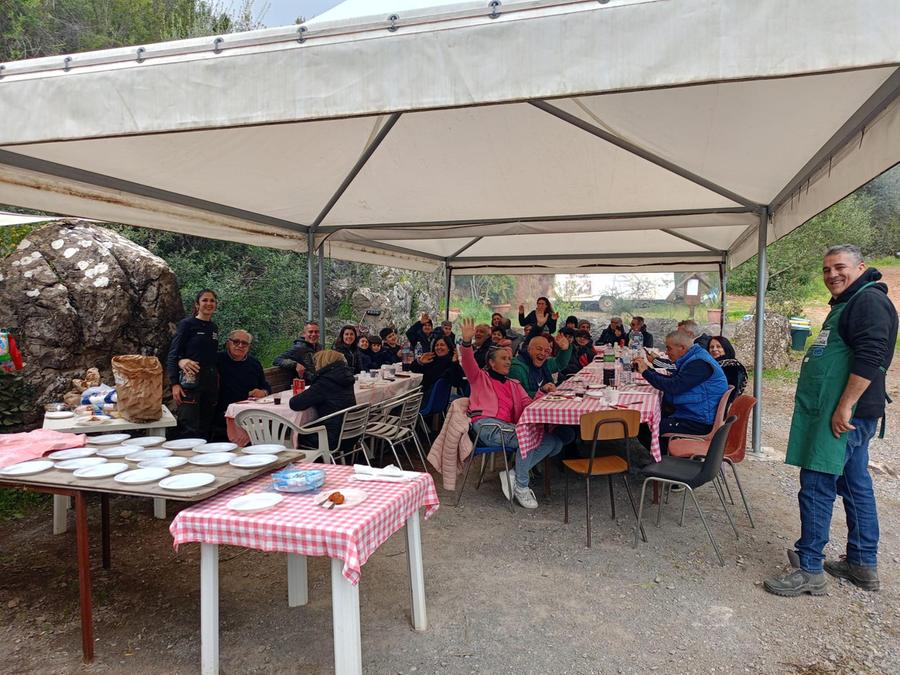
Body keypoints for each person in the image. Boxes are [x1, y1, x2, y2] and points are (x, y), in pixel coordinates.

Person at [765, 245, 897, 597]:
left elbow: (872, 355)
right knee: (855, 485)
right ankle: (861, 563)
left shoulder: (868, 302)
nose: (832, 275)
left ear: (861, 267)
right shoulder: (847, 303)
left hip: (843, 415)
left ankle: (809, 568)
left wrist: (845, 406)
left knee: (817, 484)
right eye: (826, 270)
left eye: (840, 267)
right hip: (844, 412)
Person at [458, 318, 571, 509]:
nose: (508, 362)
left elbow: (529, 408)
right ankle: (521, 485)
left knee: (554, 442)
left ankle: (515, 473)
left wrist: (542, 392)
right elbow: (468, 362)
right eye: (503, 358)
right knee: (527, 436)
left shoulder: (514, 385)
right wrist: (467, 343)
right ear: (491, 363)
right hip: (486, 426)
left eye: (509, 359)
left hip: (509, 429)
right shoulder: (480, 378)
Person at [634, 330, 728, 450]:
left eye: (669, 349)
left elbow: (673, 386)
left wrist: (646, 372)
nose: (666, 353)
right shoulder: (693, 357)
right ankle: (667, 455)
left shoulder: (699, 363)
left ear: (682, 348)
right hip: (693, 412)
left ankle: (668, 460)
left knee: (645, 426)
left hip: (699, 421)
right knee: (650, 419)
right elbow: (673, 380)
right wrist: (648, 370)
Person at [167, 289, 220, 439]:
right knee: (188, 427)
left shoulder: (213, 327)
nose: (209, 303)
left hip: (209, 383)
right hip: (190, 384)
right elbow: (173, 353)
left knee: (206, 426)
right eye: (205, 300)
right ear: (197, 304)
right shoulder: (187, 324)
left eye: (212, 301)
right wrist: (174, 383)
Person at [290, 349, 356, 454]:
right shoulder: (346, 377)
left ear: (323, 362)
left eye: (316, 362)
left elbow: (295, 404)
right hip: (351, 434)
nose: (315, 366)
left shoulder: (325, 381)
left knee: (295, 434)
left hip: (331, 438)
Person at [215, 329, 270, 438]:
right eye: (236, 341)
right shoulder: (217, 360)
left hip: (250, 413)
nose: (240, 345)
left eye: (244, 343)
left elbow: (265, 386)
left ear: (249, 346)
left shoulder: (254, 363)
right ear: (228, 343)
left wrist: (263, 392)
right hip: (223, 413)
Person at [508, 332, 573, 398]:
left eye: (546, 351)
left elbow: (560, 363)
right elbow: (519, 396)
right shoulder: (516, 369)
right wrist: (542, 390)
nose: (542, 353)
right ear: (529, 349)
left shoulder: (545, 364)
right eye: (539, 349)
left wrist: (565, 349)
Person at [410, 334, 464, 400]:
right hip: (429, 399)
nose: (439, 347)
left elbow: (457, 382)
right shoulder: (432, 360)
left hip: (427, 400)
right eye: (436, 345)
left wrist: (455, 363)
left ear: (449, 348)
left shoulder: (450, 363)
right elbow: (413, 369)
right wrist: (420, 362)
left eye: (442, 345)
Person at [707, 336, 746, 404]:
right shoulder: (715, 364)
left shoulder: (731, 366)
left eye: (718, 346)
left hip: (719, 405)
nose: (714, 349)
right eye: (711, 347)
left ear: (726, 348)